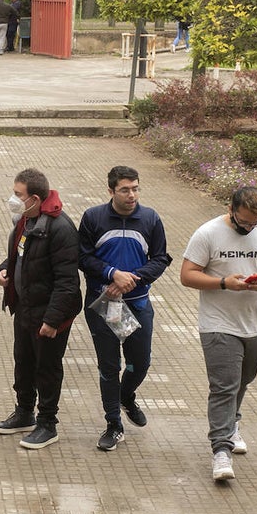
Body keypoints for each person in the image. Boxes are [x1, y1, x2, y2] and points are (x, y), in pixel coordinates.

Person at [180, 186, 257, 482]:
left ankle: (232, 423)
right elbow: (187, 275)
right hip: (218, 324)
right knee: (224, 386)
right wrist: (224, 283)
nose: (249, 228)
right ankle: (221, 450)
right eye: (243, 223)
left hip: (256, 324)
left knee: (243, 379)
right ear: (231, 210)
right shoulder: (208, 233)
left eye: (254, 223)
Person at [78, 166, 171, 451]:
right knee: (110, 366)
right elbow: (82, 257)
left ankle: (126, 395)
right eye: (125, 190)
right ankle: (113, 423)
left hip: (137, 303)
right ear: (111, 191)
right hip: (106, 306)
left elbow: (161, 258)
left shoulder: (150, 218)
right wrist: (111, 273)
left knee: (139, 363)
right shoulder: (93, 218)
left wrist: (131, 279)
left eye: (135, 188)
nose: (132, 195)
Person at [0, 168, 82, 449]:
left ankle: (47, 424)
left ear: (33, 198)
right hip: (25, 308)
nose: (12, 199)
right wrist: (4, 271)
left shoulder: (60, 229)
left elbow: (68, 283)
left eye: (18, 195)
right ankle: (24, 413)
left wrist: (53, 320)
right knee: (24, 362)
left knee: (47, 369)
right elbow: (19, 258)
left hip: (48, 315)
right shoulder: (26, 221)